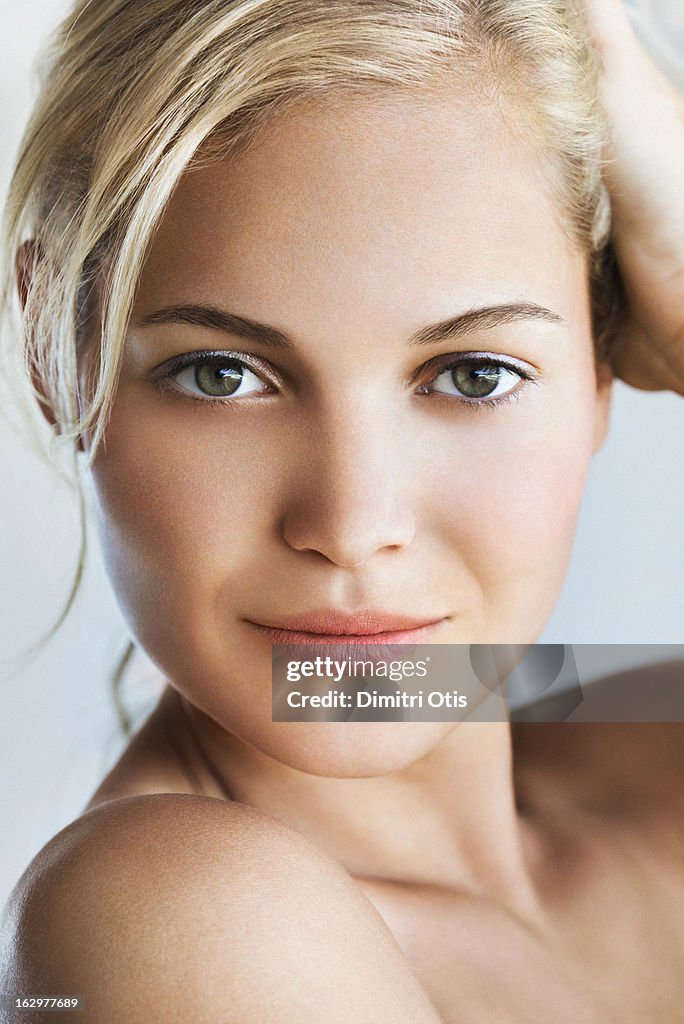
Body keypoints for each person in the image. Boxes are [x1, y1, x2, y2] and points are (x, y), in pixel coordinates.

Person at [1, 0, 683, 1021]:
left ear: (600, 368)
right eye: (222, 375)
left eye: (473, 374)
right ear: (59, 355)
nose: (353, 523)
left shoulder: (627, 705)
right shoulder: (173, 912)